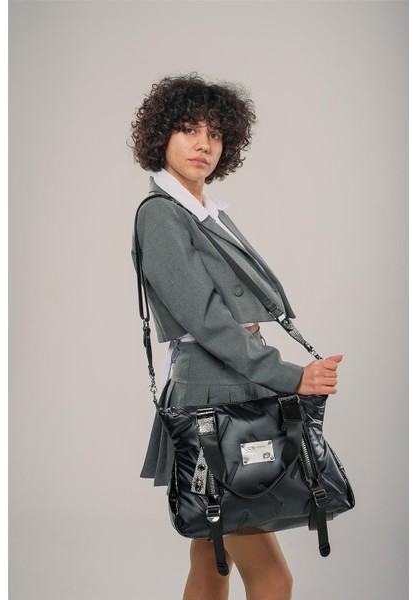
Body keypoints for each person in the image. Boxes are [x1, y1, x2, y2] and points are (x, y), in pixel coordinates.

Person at [130, 73, 343, 600]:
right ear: (162, 136)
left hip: (227, 387)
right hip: (215, 395)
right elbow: (206, 320)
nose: (203, 143)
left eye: (215, 134)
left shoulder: (206, 213)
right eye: (188, 129)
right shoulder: (162, 215)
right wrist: (291, 377)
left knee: (213, 561)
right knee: (272, 576)